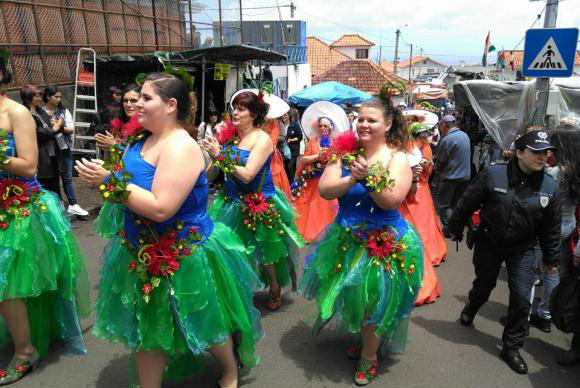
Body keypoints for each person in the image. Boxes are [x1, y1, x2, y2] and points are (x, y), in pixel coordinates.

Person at [75, 73, 263, 388]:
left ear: (171, 105)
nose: (137, 104)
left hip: (183, 253)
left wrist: (109, 182)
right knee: (149, 329)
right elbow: (130, 185)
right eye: (137, 98)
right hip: (141, 251)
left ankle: (229, 368)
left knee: (201, 319)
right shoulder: (141, 139)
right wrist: (110, 173)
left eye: (146, 98)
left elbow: (162, 207)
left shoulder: (180, 147)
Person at [300, 97, 423, 386]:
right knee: (353, 295)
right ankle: (368, 340)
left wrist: (368, 179)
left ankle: (369, 356)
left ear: (388, 124)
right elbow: (327, 190)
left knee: (372, 302)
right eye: (361, 119)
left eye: (372, 120)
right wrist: (352, 180)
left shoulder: (397, 158)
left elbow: (391, 201)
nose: (364, 125)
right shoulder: (343, 153)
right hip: (346, 239)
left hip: (383, 244)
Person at [0, 58, 90, 385]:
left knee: (8, 283)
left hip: (18, 209)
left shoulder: (16, 112)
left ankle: (25, 351)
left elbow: (28, 166)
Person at [447, 129, 561, 375]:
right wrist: (454, 228)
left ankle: (511, 347)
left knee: (521, 298)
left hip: (523, 249)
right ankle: (472, 307)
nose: (544, 157)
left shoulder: (550, 187)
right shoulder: (493, 174)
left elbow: (552, 228)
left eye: (547, 152)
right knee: (484, 285)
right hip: (489, 242)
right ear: (519, 152)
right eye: (537, 152)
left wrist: (552, 260)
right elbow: (467, 202)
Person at [201, 90, 304, 312]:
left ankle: (274, 287)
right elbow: (212, 174)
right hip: (230, 201)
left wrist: (219, 155)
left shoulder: (262, 139)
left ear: (255, 114)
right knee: (228, 248)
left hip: (257, 201)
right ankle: (236, 289)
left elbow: (248, 174)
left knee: (264, 251)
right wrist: (207, 160)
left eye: (241, 109)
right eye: (234, 107)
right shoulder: (231, 137)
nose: (234, 112)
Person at [399, 124, 446, 306]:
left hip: (418, 191)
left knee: (421, 226)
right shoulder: (399, 148)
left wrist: (418, 172)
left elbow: (428, 167)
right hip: (401, 199)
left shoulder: (423, 146)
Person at [548, 128, 580, 366]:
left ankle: (546, 311)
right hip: (571, 230)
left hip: (557, 230)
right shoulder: (574, 173)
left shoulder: (557, 173)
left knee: (550, 270)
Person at [42, 85, 89, 217]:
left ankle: (73, 204)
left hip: (64, 148)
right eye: (56, 96)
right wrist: (52, 128)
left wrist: (60, 127)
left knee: (67, 178)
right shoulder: (41, 113)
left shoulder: (63, 110)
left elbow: (71, 129)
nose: (58, 99)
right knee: (55, 179)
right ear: (48, 97)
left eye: (60, 97)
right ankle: (60, 204)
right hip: (50, 151)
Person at [293, 117, 339, 242]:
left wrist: (330, 156)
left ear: (330, 127)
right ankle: (312, 233)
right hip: (313, 181)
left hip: (329, 181)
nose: (323, 128)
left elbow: (340, 160)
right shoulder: (312, 142)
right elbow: (304, 159)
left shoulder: (335, 142)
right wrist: (318, 156)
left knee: (327, 209)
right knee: (312, 208)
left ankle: (327, 234)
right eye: (320, 126)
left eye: (325, 126)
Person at [20, 84, 61, 196]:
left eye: (39, 95)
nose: (39, 99)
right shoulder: (24, 113)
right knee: (44, 188)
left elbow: (50, 125)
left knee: (55, 185)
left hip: (52, 154)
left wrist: (54, 124)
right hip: (40, 156)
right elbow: (35, 132)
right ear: (28, 98)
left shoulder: (40, 111)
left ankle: (58, 209)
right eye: (36, 96)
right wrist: (52, 129)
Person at [434, 114, 471, 229]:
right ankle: (456, 227)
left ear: (444, 125)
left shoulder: (448, 139)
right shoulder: (464, 135)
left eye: (440, 126)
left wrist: (435, 167)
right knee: (455, 204)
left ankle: (451, 228)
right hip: (464, 177)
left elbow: (440, 161)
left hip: (450, 178)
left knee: (444, 206)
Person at [95, 83, 141, 150]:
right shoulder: (117, 123)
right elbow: (109, 159)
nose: (128, 104)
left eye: (133, 101)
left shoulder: (146, 128)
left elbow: (140, 157)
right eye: (125, 101)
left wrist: (114, 146)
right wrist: (107, 148)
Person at [263, 118, 292, 199]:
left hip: (272, 157)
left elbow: (282, 138)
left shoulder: (276, 122)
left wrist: (266, 136)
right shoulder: (256, 121)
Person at [285, 108, 303, 180]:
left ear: (289, 116)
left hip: (293, 150)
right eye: (282, 115)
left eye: (285, 115)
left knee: (290, 167)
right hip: (284, 150)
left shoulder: (295, 125)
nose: (283, 116)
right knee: (285, 167)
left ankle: (292, 184)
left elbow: (300, 137)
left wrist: (291, 140)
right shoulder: (281, 125)